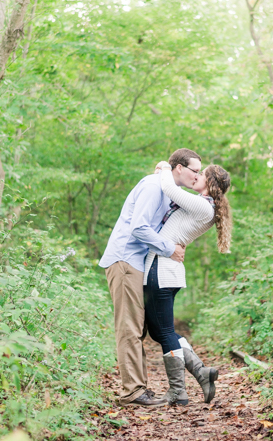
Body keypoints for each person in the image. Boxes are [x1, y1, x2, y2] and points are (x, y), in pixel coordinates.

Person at [98, 148, 202, 407]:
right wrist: (170, 249)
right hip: (125, 260)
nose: (196, 176)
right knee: (129, 328)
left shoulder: (167, 190)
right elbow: (139, 227)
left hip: (137, 263)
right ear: (178, 167)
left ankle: (138, 388)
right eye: (194, 170)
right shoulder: (153, 186)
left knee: (138, 328)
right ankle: (132, 392)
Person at [144, 159, 232, 405]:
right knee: (159, 330)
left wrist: (164, 167)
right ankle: (201, 372)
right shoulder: (202, 205)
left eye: (201, 174)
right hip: (163, 268)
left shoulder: (205, 206)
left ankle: (178, 391)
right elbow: (176, 194)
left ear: (210, 182)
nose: (196, 177)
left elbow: (171, 189)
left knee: (164, 331)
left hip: (162, 269)